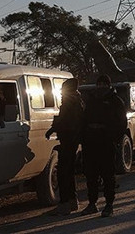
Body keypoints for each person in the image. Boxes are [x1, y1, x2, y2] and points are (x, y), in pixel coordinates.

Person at [80, 75, 127, 218]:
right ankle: (92, 203)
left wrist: (114, 138)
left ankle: (109, 204)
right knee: (91, 175)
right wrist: (83, 137)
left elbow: (122, 123)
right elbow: (84, 120)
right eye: (99, 84)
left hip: (106, 142)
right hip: (90, 142)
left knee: (108, 175)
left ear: (108, 85)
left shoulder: (115, 101)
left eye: (104, 84)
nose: (101, 87)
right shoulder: (91, 100)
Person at [45, 78, 83, 216]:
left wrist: (53, 129)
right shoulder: (77, 102)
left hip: (68, 140)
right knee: (69, 172)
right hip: (72, 140)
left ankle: (65, 203)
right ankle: (72, 201)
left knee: (63, 172)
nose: (61, 92)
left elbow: (65, 121)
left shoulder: (69, 103)